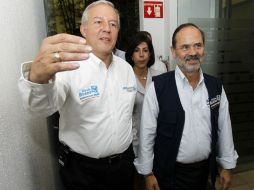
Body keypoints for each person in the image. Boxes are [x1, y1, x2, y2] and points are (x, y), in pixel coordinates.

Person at [18, 1, 137, 190]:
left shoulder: (126, 69)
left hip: (123, 167)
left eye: (113, 24)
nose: (107, 29)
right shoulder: (68, 67)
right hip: (83, 172)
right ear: (83, 29)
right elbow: (41, 108)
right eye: (99, 22)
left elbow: (128, 118)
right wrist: (37, 80)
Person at [134, 23, 238, 190]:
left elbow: (224, 128)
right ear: (173, 52)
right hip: (169, 175)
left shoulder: (215, 86)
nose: (193, 52)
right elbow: (147, 133)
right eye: (185, 47)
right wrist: (147, 173)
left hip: (204, 173)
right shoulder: (158, 87)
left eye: (198, 45)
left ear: (204, 48)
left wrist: (227, 165)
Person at [125, 31, 165, 190]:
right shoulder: (124, 79)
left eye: (145, 50)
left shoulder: (161, 78)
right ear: (131, 55)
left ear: (150, 54)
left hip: (160, 141)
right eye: (136, 50)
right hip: (133, 143)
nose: (141, 55)